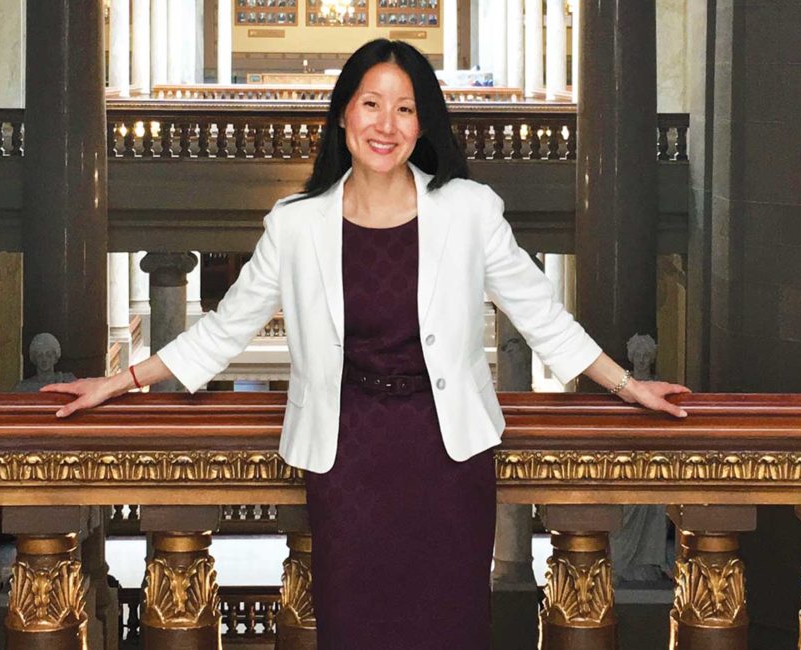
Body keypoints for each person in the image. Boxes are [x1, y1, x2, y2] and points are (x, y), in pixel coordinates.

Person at [42, 39, 690, 650]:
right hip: (346, 457)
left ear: (422, 123)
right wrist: (117, 381)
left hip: (447, 458)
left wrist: (630, 386)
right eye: (372, 103)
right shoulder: (296, 225)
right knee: (355, 628)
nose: (387, 123)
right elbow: (223, 328)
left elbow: (542, 314)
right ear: (345, 114)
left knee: (449, 628)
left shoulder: (470, 210)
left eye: (405, 108)